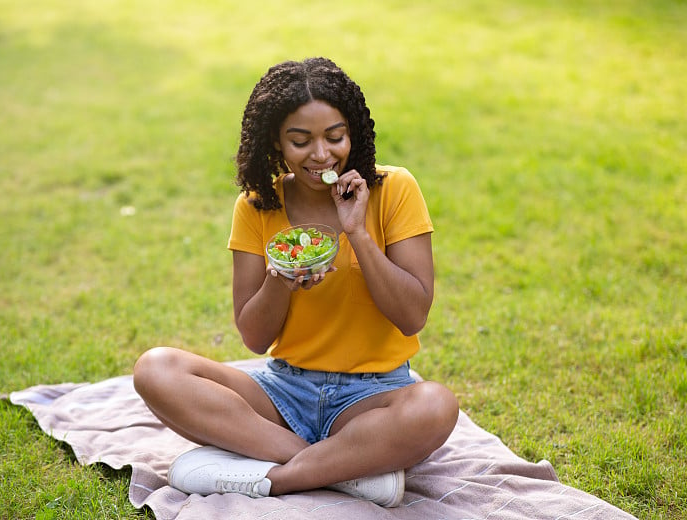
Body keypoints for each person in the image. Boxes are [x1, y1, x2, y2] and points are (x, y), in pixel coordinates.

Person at [133, 57, 459, 508]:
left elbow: (412, 316)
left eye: (335, 137)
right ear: (277, 143)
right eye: (301, 141)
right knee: (156, 368)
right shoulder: (257, 205)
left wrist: (357, 232)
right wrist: (279, 281)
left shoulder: (394, 189)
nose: (322, 154)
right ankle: (339, 470)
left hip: (373, 395)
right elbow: (254, 337)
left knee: (436, 406)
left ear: (354, 134)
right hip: (284, 392)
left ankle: (278, 478)